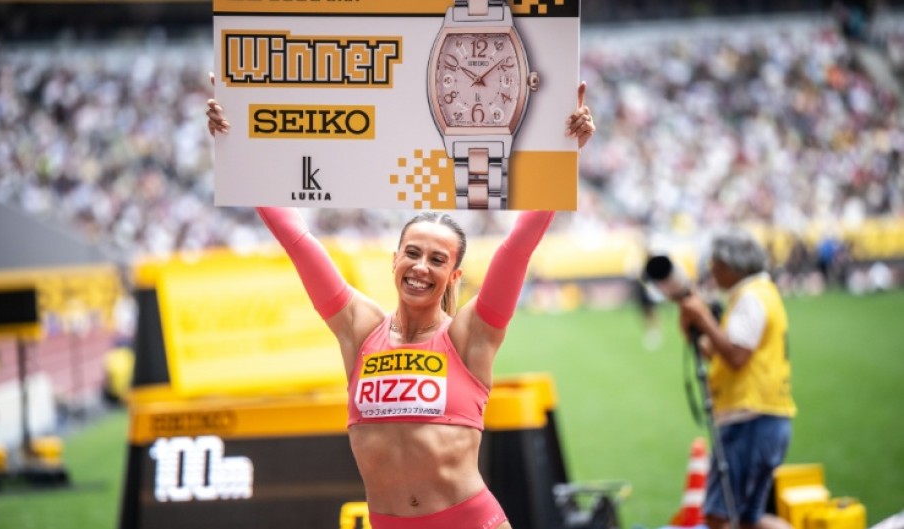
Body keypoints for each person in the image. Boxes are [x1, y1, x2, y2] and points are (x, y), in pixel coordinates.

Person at [207, 83, 596, 529]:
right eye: (412, 253)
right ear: (394, 259)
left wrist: (565, 154)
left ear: (454, 276)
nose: (420, 267)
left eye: (437, 259)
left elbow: (518, 246)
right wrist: (234, 142)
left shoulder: (470, 336)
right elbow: (296, 239)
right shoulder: (359, 327)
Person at [677, 229, 796, 529]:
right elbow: (710, 350)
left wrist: (704, 319)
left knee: (720, 515)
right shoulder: (760, 294)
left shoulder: (751, 298)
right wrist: (694, 321)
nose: (712, 271)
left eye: (715, 264)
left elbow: (736, 356)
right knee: (747, 519)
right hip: (766, 415)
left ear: (732, 265)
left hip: (749, 417)